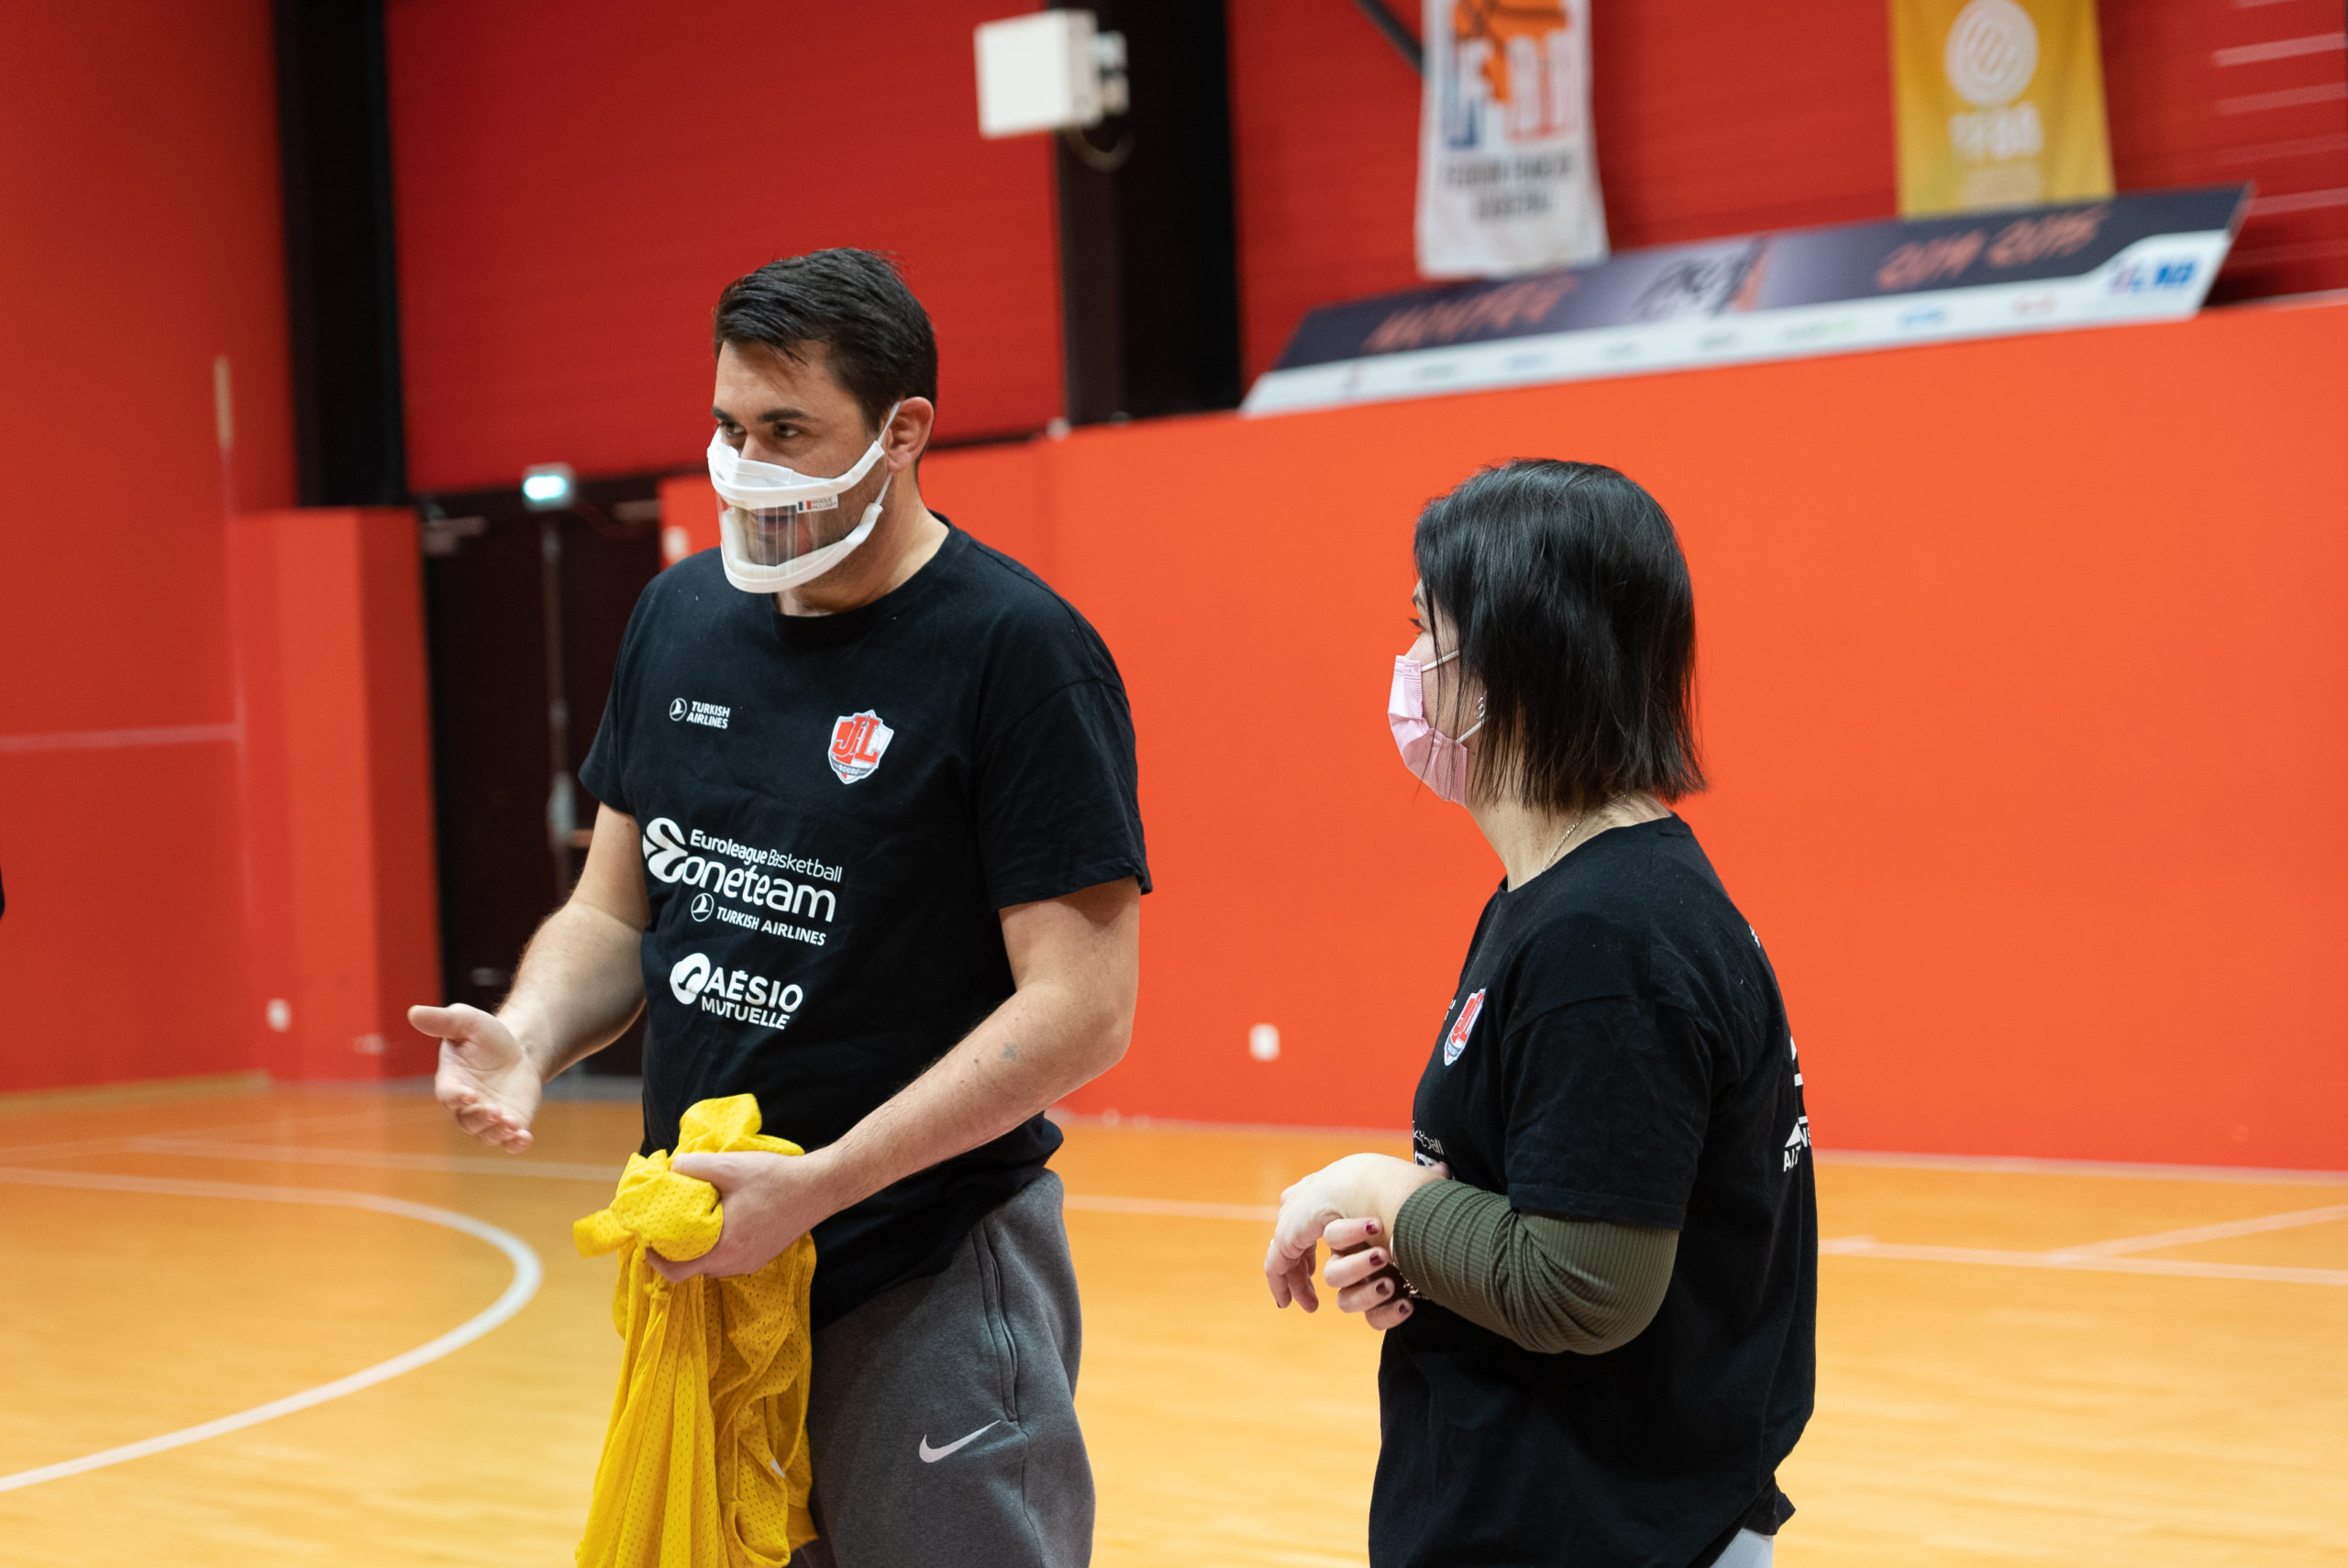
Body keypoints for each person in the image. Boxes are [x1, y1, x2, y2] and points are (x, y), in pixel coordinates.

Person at [409, 248, 1148, 1568]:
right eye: (729, 429)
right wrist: (530, 1033)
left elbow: (1083, 1008)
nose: (746, 465)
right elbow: (616, 907)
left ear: (903, 430)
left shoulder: (1019, 653)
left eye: (789, 432)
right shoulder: (678, 616)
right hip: (711, 1264)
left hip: (916, 1265)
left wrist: (815, 1189)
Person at [1263, 460, 1815, 1568]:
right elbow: (1550, 1196)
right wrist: (1426, 1244)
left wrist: (1374, 1186)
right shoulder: (1565, 897)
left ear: (1511, 661)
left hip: (1605, 1526)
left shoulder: (1606, 933)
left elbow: (1583, 1286)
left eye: (1426, 631)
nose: (1408, 667)